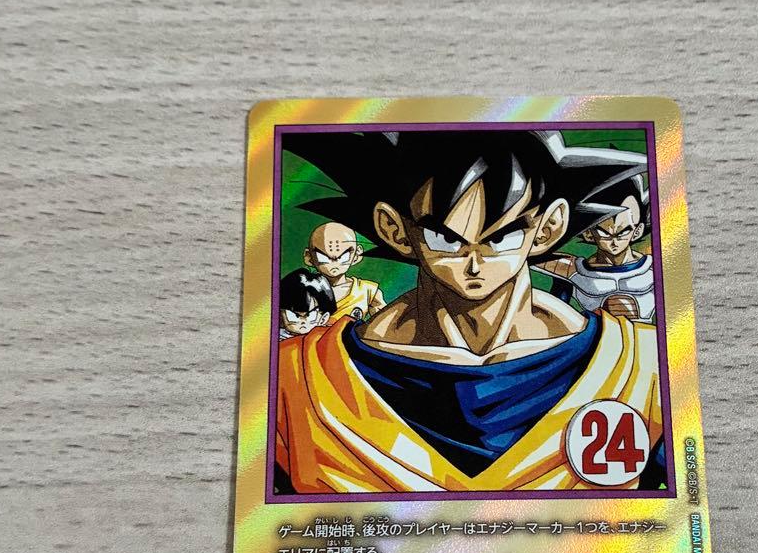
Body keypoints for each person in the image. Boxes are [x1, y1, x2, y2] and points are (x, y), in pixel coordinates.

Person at [273, 130, 663, 494]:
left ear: (548, 228)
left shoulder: (639, 366)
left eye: (502, 236)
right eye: (446, 239)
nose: (474, 263)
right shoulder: (302, 378)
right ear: (395, 229)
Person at [533, 171, 655, 322]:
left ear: (637, 231)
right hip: (598, 334)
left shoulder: (654, 268)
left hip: (646, 334)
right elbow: (555, 317)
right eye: (605, 233)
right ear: (588, 233)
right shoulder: (572, 271)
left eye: (623, 232)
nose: (614, 241)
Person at [303, 221, 386, 322]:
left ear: (357, 255)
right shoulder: (303, 289)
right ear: (309, 257)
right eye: (323, 257)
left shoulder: (367, 291)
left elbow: (384, 324)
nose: (334, 263)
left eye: (343, 256)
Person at [278, 268, 336, 340]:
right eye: (294, 316)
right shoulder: (274, 339)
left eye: (310, 315)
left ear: (323, 318)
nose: (303, 321)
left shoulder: (328, 337)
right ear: (281, 317)